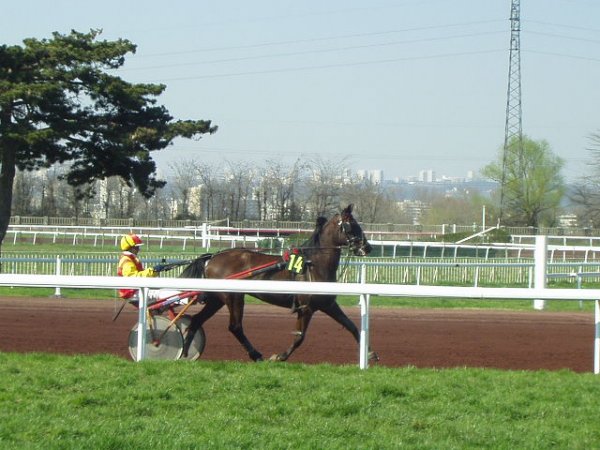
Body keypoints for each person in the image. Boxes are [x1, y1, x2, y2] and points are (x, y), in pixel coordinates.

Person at [117, 233, 183, 306]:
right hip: (133, 292)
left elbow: (141, 274)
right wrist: (153, 270)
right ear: (130, 248)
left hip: (136, 289)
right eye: (136, 247)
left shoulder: (131, 258)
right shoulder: (127, 260)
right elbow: (134, 278)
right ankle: (184, 299)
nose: (138, 249)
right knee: (163, 293)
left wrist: (154, 271)